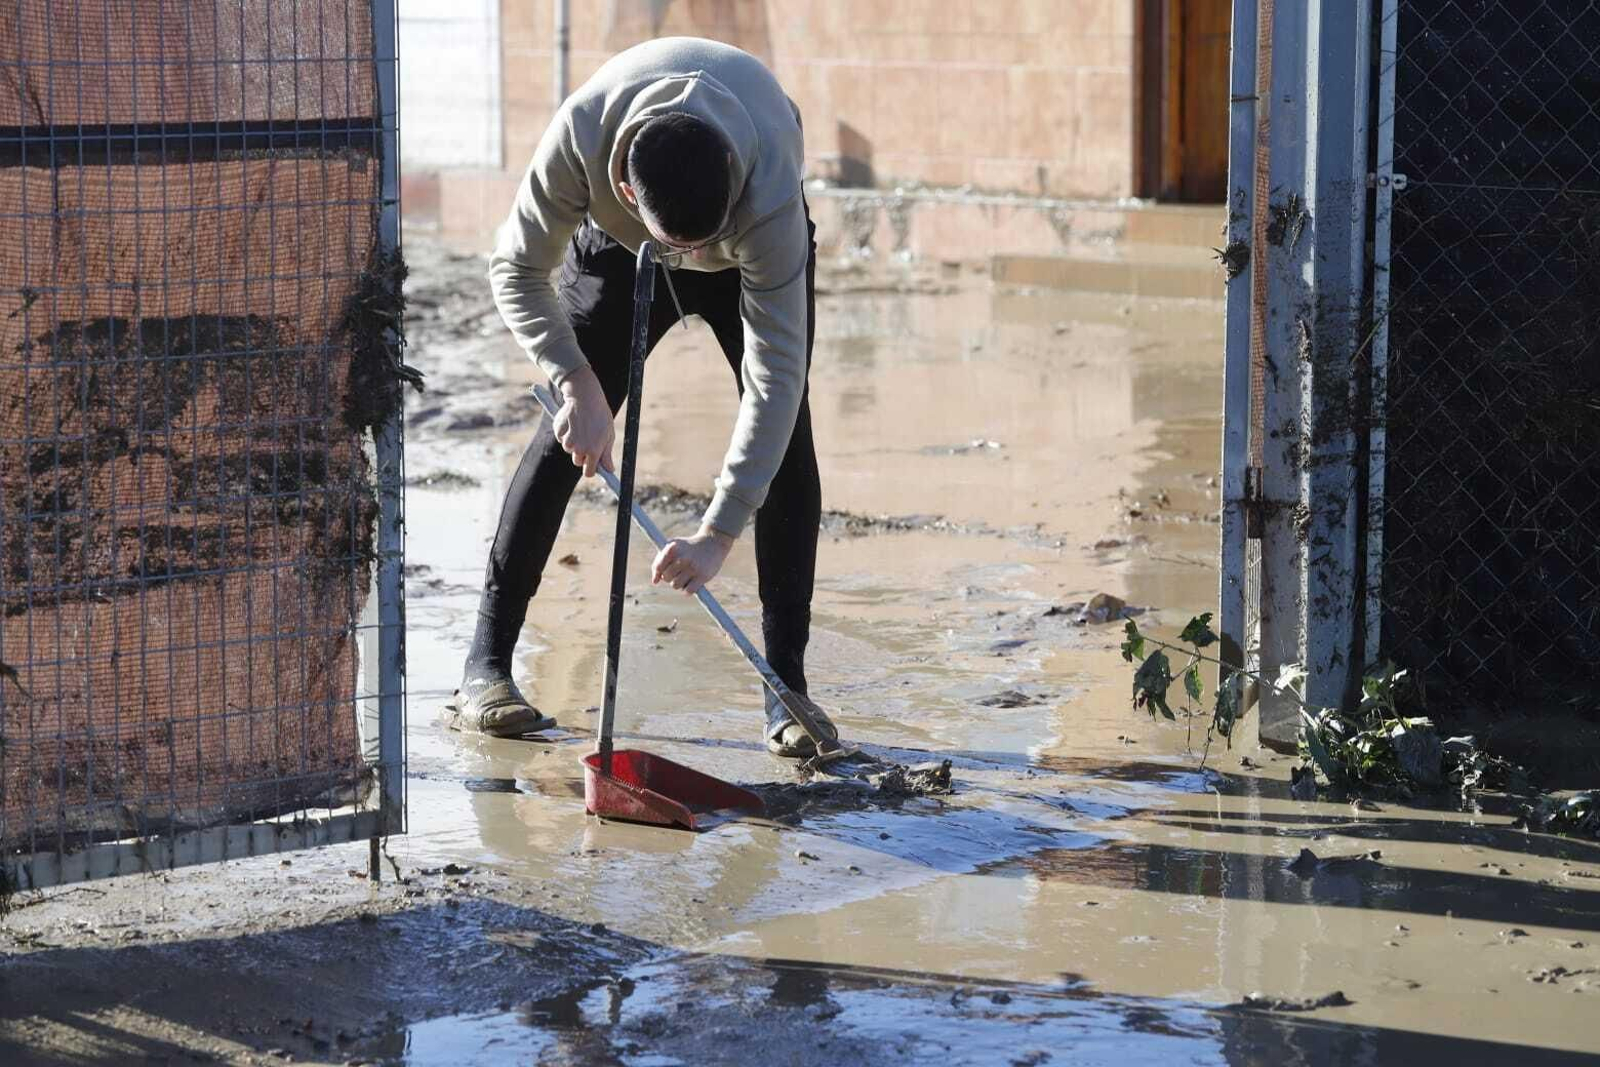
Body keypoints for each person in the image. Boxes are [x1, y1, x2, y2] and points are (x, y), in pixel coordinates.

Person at [448, 37, 836, 758]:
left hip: (745, 252)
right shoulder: (581, 134)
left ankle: (787, 687)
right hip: (623, 251)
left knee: (789, 441)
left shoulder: (767, 191)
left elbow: (775, 378)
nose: (691, 258)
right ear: (626, 189)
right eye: (682, 244)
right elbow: (515, 268)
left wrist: (719, 530)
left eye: (704, 239)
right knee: (569, 437)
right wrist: (574, 380)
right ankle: (485, 668)